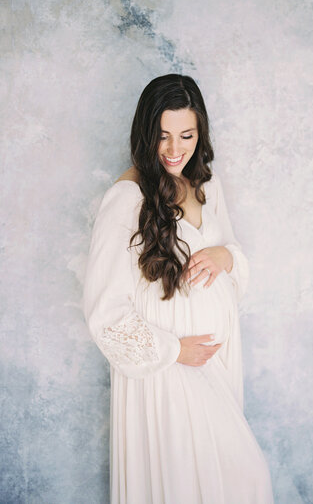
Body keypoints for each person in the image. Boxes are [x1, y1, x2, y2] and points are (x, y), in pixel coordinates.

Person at [83, 74, 274, 503]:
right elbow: (103, 309)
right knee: (204, 483)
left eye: (186, 135)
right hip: (165, 370)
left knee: (224, 485)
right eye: (163, 136)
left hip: (216, 363)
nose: (174, 149)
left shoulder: (208, 185)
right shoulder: (128, 197)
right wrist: (172, 351)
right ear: (146, 133)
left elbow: (233, 261)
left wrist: (227, 256)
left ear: (200, 131)